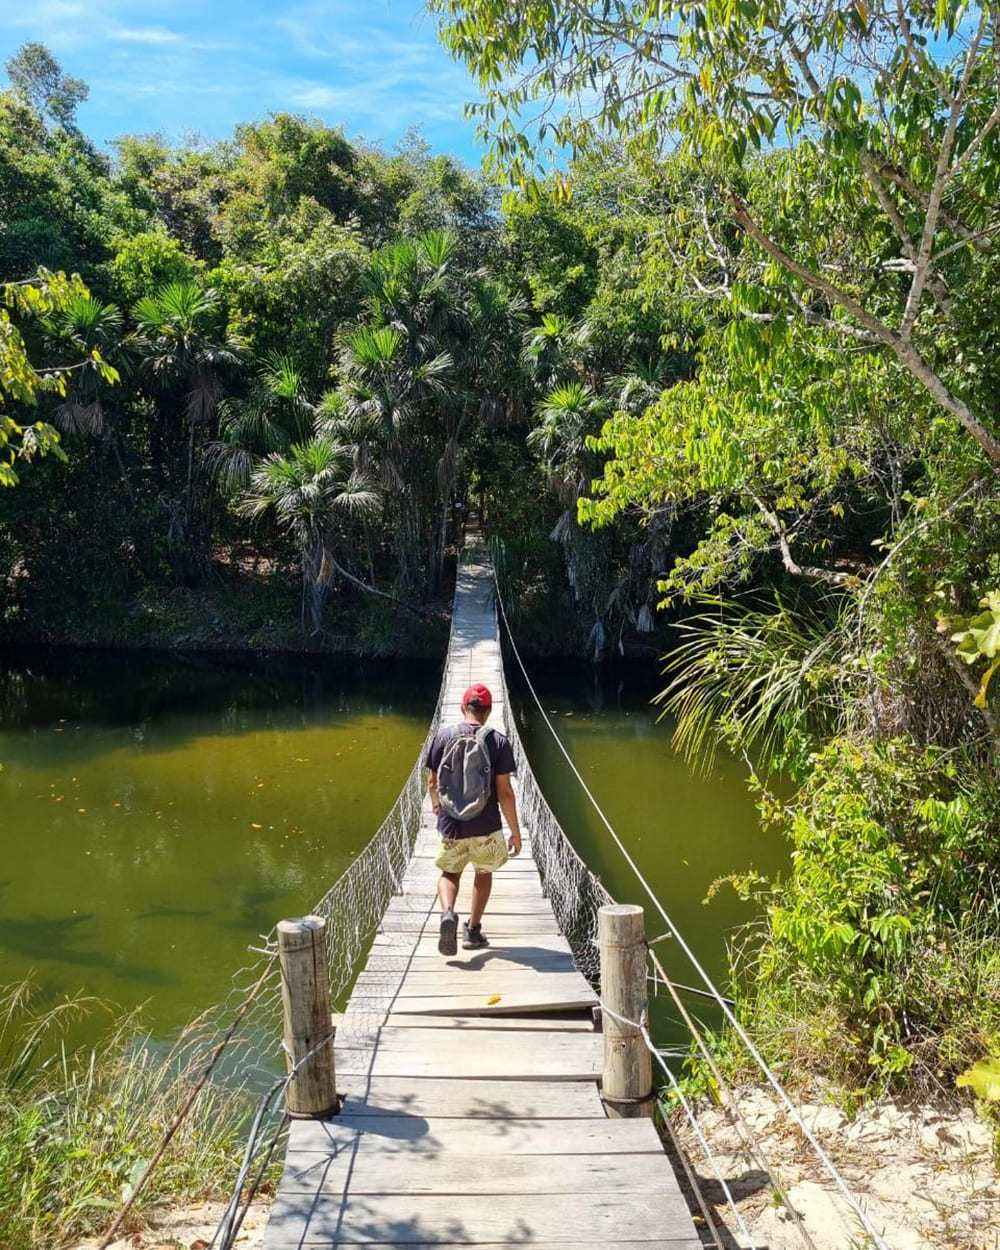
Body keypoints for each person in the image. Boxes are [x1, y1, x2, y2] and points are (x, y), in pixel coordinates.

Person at [425, 682, 522, 955]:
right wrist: (515, 832)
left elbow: (432, 781)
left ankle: (447, 913)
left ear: (462, 708)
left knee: (449, 873)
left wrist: (436, 805)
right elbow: (504, 792)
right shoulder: (499, 741)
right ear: (489, 711)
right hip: (486, 824)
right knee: (483, 872)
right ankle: (473, 930)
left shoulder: (442, 737)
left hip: (451, 822)